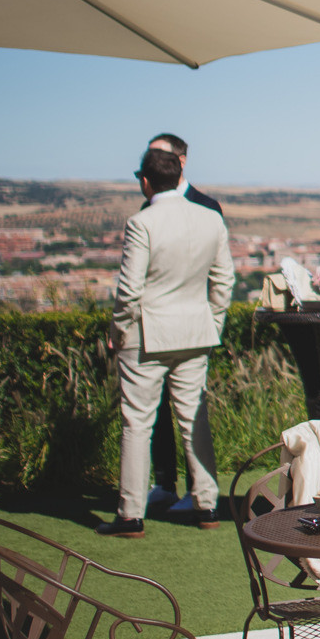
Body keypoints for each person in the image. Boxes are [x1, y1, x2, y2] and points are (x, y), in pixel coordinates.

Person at [99, 146, 234, 537]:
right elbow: (223, 281)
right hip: (196, 331)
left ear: (144, 181)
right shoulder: (211, 219)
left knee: (137, 423)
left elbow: (128, 290)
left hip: (147, 335)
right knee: (195, 417)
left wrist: (119, 329)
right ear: (179, 175)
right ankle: (207, 504)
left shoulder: (142, 222)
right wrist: (213, 322)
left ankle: (130, 513)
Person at [141, 132, 226, 518]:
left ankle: (198, 491)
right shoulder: (149, 208)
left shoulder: (207, 207)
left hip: (191, 327)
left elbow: (219, 276)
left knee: (190, 414)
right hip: (154, 328)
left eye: (158, 156)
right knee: (155, 414)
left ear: (179, 162)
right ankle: (163, 482)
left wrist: (213, 323)